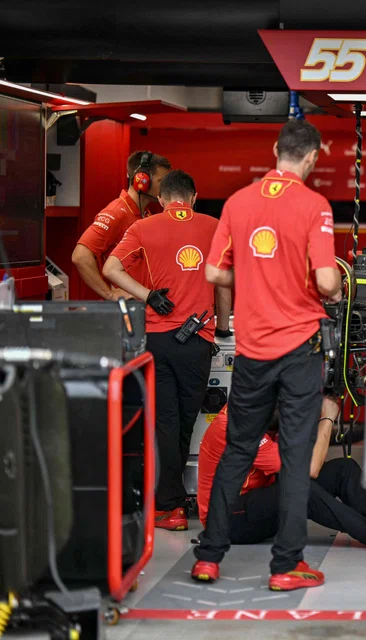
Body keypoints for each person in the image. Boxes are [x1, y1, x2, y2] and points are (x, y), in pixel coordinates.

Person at [192, 119, 342, 592]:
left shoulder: (237, 202)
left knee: (239, 448)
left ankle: (209, 557)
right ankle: (285, 566)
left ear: (276, 149)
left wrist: (254, 281)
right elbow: (327, 283)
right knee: (296, 456)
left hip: (252, 350)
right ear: (313, 157)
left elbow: (215, 272)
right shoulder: (315, 206)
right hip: (299, 348)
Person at [102, 169, 232, 531]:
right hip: (199, 340)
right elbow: (223, 283)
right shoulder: (215, 226)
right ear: (194, 196)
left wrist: (147, 296)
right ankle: (174, 501)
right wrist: (222, 326)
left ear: (161, 199)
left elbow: (110, 267)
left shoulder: (144, 227)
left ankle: (169, 506)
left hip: (157, 340)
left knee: (163, 422)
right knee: (186, 423)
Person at [196, 398, 366, 551]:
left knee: (343, 469)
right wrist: (327, 418)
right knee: (301, 490)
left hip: (258, 502)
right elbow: (311, 469)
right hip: (228, 520)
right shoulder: (238, 428)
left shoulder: (258, 412)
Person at [73, 151, 171, 300]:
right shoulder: (116, 213)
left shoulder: (145, 214)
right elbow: (80, 256)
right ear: (142, 181)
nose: (166, 188)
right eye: (161, 181)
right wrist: (109, 294)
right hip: (125, 310)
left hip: (142, 305)